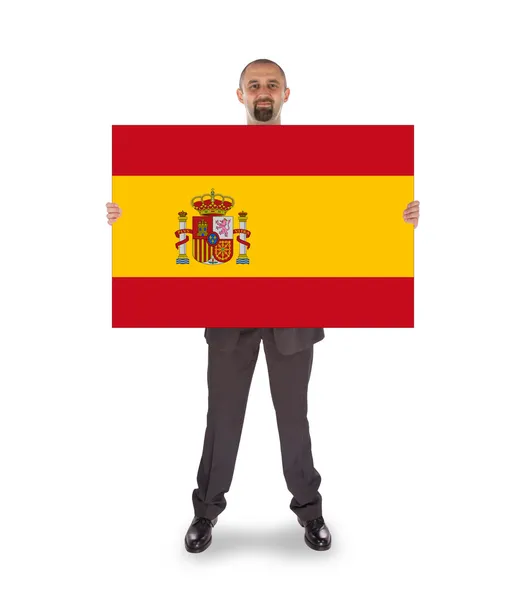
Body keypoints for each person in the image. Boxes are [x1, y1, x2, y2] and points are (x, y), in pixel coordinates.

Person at [106, 58, 420, 553]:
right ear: (240, 96)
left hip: (293, 313)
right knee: (223, 417)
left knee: (293, 417)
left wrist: (396, 217)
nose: (263, 91)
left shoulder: (317, 156)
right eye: (254, 85)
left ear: (287, 94)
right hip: (230, 311)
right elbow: (178, 210)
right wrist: (131, 215)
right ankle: (205, 513)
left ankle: (309, 512)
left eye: (271, 84)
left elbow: (344, 215)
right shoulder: (212, 156)